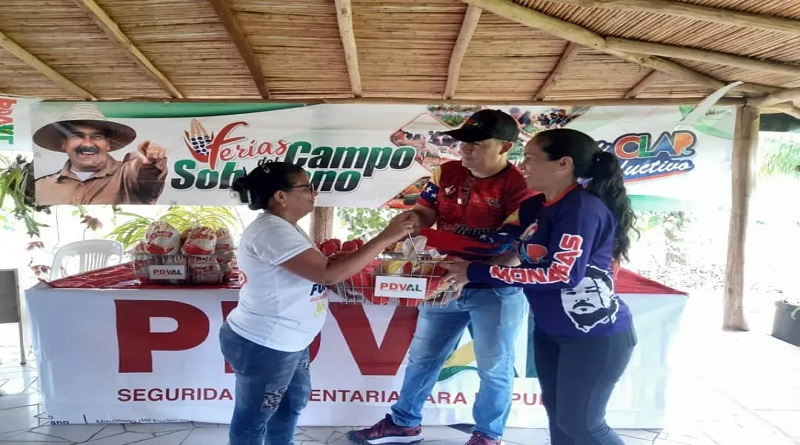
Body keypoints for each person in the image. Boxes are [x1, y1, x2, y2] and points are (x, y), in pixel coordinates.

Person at [442, 128, 638, 445]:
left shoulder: (580, 209)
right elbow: (515, 254)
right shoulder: (538, 207)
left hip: (595, 338)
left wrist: (477, 271)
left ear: (563, 164)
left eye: (530, 158)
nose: (522, 165)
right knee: (561, 423)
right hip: (551, 331)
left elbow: (562, 275)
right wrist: (460, 268)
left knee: (584, 426)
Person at [348, 109, 533, 445]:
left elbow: (513, 247)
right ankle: (404, 423)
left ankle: (488, 435)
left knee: (495, 368)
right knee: (423, 357)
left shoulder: (520, 187)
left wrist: (474, 271)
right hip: (442, 281)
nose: (466, 150)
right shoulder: (445, 172)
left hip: (495, 287)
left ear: (505, 147)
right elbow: (426, 211)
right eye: (464, 143)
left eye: (477, 144)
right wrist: (412, 221)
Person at [220, 160, 415, 445]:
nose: (314, 193)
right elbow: (326, 273)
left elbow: (316, 268)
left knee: (290, 404)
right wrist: (386, 237)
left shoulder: (285, 226)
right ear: (281, 196)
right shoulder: (271, 231)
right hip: (266, 343)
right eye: (308, 187)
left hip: (290, 340)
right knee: (254, 419)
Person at [33, 103, 168, 205]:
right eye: (77, 136)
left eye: (96, 137)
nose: (88, 144)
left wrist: (149, 162)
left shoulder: (126, 175)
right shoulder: (41, 187)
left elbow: (145, 178)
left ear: (108, 144)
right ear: (63, 144)